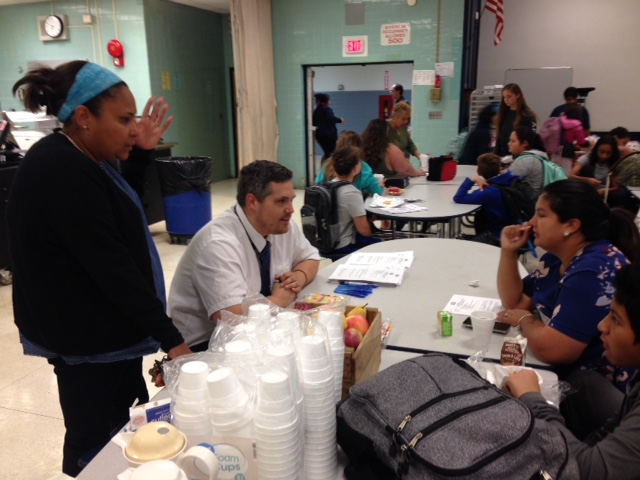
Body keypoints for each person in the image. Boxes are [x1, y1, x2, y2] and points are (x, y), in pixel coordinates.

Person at [8, 61, 191, 476]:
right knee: (93, 442)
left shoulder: (86, 158)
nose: (132, 128)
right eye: (124, 119)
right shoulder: (61, 169)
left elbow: (125, 219)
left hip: (108, 332)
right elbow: (112, 266)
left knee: (124, 427)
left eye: (134, 118)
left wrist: (140, 154)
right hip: (86, 339)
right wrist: (172, 340)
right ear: (84, 117)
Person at [497, 180, 640, 393]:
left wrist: (525, 320)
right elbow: (515, 302)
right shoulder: (557, 258)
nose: (531, 222)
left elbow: (554, 349)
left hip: (592, 391)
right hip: (563, 377)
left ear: (571, 225)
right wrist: (509, 252)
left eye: (542, 215)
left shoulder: (593, 271)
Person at [504, 261, 640, 479]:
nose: (602, 326)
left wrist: (532, 399)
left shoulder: (589, 270)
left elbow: (588, 473)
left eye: (616, 320)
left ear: (572, 226)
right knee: (583, 383)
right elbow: (609, 432)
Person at [169, 160, 321, 351]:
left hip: (261, 328)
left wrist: (299, 276)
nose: (291, 209)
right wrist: (281, 299)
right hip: (208, 346)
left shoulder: (280, 226)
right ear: (252, 202)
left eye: (291, 199)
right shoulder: (218, 243)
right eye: (281, 201)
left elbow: (311, 258)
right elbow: (232, 319)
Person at [453, 153, 520, 246]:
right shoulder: (512, 180)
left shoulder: (487, 193)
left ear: (479, 171)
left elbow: (458, 198)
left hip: (498, 236)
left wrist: (473, 180)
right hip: (516, 230)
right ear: (500, 169)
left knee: (462, 246)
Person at [328, 146, 381, 256]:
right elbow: (364, 230)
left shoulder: (327, 186)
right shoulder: (351, 193)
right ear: (356, 168)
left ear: (334, 166)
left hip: (327, 242)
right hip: (343, 246)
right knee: (383, 244)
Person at [315, 130, 383, 197]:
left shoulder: (327, 165)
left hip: (329, 205)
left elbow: (318, 187)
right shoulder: (364, 168)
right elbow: (377, 193)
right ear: (360, 147)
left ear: (338, 145)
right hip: (354, 205)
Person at [508, 126, 565, 196]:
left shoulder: (526, 160)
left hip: (525, 203)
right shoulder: (539, 158)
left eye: (513, 141)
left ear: (524, 143)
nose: (509, 144)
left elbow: (506, 180)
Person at [494, 83, 537, 156]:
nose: (506, 100)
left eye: (509, 97)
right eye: (504, 97)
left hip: (520, 156)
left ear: (518, 95)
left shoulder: (528, 115)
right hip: (503, 155)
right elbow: (499, 137)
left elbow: (532, 139)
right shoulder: (503, 114)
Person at [312, 93, 344, 161]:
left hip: (320, 136)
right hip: (328, 136)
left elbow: (314, 122)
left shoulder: (316, 110)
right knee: (330, 154)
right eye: (329, 100)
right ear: (326, 101)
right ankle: (329, 169)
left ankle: (324, 167)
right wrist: (340, 120)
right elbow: (330, 118)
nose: (330, 102)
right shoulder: (327, 109)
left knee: (327, 153)